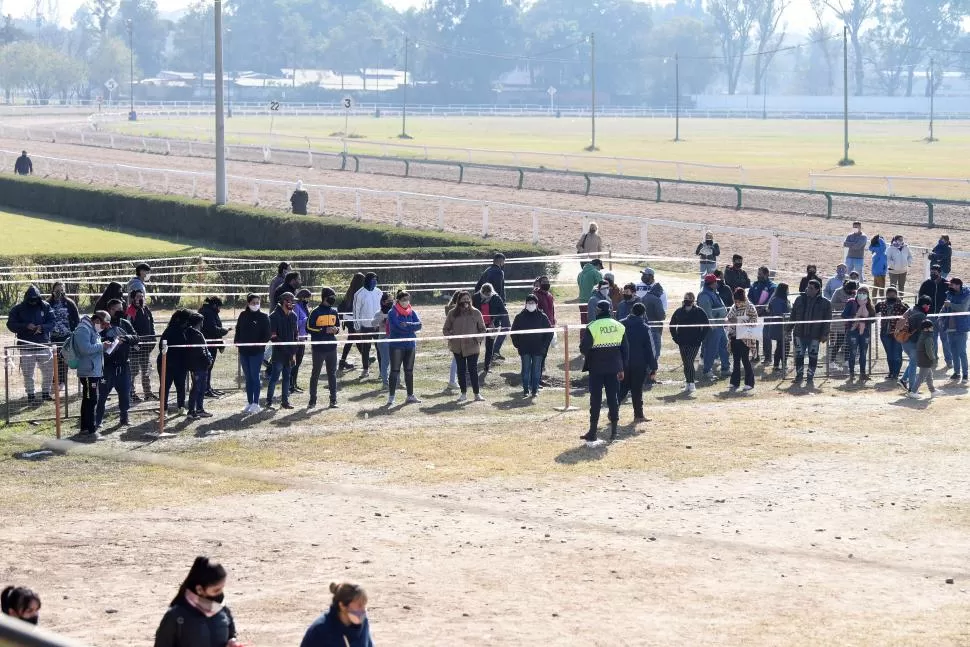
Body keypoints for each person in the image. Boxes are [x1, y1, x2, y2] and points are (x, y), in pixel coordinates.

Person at [153, 557, 242, 647]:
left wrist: (232, 642)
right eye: (216, 590)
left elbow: (231, 634)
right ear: (199, 589)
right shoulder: (176, 616)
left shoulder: (222, 609)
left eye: (222, 588)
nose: (220, 593)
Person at [580, 300, 628, 443]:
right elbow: (625, 350)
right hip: (614, 368)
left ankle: (593, 431)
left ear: (598, 311)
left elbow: (584, 348)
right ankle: (614, 432)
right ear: (611, 310)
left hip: (596, 368)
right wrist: (622, 368)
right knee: (613, 398)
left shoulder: (593, 326)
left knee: (595, 399)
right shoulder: (619, 326)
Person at [95, 299, 139, 429]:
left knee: (125, 394)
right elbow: (96, 339)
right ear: (110, 310)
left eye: (121, 308)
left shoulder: (125, 323)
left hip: (124, 365)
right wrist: (110, 341)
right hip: (107, 366)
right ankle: (98, 420)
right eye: (117, 309)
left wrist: (124, 339)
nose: (120, 311)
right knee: (102, 395)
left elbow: (136, 337)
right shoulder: (101, 324)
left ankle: (124, 418)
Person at [6, 285, 55, 403]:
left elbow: (52, 322)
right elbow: (10, 324)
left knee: (48, 370)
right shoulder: (18, 309)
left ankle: (45, 393)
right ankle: (31, 394)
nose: (33, 302)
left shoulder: (46, 306)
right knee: (28, 373)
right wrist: (25, 326)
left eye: (35, 299)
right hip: (26, 346)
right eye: (31, 299)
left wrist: (42, 327)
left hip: (43, 345)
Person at [443, 291, 487, 403]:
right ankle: (463, 393)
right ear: (459, 301)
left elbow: (483, 329)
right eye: (463, 299)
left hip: (473, 347)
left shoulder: (476, 313)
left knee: (473, 370)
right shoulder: (452, 313)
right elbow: (445, 329)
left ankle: (477, 394)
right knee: (461, 371)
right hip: (457, 347)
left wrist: (477, 339)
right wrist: (451, 337)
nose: (466, 301)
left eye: (468, 299)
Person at [300, 582, 373, 647]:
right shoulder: (320, 630)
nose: (363, 610)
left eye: (364, 605)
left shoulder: (362, 620)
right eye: (359, 606)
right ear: (342, 606)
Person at [74, 310, 111, 437]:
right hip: (88, 372)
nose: (105, 327)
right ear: (97, 321)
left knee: (88, 400)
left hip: (93, 371)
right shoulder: (83, 329)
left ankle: (85, 428)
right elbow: (85, 349)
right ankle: (90, 429)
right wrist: (102, 346)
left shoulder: (92, 329)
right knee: (91, 400)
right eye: (104, 324)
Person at [618, 302, 656, 421]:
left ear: (631, 311)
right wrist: (653, 367)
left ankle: (613, 411)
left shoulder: (620, 324)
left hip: (623, 363)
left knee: (622, 389)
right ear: (644, 314)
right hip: (639, 364)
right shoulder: (645, 328)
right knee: (637, 390)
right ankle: (638, 415)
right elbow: (651, 349)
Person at [234, 293, 271, 414]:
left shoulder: (264, 317)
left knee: (255, 377)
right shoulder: (243, 315)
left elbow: (267, 335)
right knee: (248, 377)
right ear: (248, 303)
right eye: (253, 303)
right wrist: (237, 342)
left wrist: (259, 344)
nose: (256, 305)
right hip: (244, 351)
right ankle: (249, 402)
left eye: (257, 302)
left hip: (257, 352)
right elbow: (238, 329)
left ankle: (256, 403)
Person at [510, 294, 552, 398]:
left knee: (536, 370)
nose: (530, 305)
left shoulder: (543, 317)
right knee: (525, 370)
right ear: (525, 304)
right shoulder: (519, 317)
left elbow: (549, 333)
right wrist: (517, 345)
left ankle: (535, 390)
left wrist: (544, 346)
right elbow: (513, 332)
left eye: (533, 303)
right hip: (524, 349)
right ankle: (525, 390)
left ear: (537, 304)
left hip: (538, 349)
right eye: (529, 303)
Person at [790, 279, 832, 384]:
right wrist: (787, 330)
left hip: (815, 336)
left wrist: (825, 334)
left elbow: (827, 321)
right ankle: (799, 376)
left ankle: (810, 377)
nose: (808, 289)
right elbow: (793, 316)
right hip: (799, 333)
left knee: (813, 356)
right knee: (799, 356)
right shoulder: (799, 299)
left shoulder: (825, 303)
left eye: (811, 288)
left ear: (817, 290)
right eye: (808, 287)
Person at [386, 290, 422, 407]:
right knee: (395, 371)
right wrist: (411, 327)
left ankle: (410, 395)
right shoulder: (392, 312)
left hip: (410, 344)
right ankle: (391, 397)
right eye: (403, 300)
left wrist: (406, 325)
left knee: (409, 371)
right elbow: (396, 327)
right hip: (396, 345)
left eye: (407, 300)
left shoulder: (412, 312)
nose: (406, 302)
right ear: (398, 301)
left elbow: (419, 325)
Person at [307, 288, 342, 409]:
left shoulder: (334, 311)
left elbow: (338, 326)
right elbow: (308, 328)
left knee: (332, 374)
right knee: (315, 374)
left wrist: (336, 330)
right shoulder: (315, 312)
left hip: (332, 347)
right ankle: (312, 400)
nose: (334, 298)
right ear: (325, 297)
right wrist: (323, 330)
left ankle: (333, 400)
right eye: (332, 296)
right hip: (318, 348)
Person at [669, 292, 710, 394]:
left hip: (694, 342)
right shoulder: (679, 311)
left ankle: (692, 383)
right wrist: (675, 338)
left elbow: (706, 325)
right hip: (682, 342)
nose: (687, 300)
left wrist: (700, 338)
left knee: (689, 361)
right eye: (685, 298)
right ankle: (688, 382)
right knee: (686, 363)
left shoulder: (699, 311)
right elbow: (672, 325)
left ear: (693, 300)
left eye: (689, 298)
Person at [267, 292, 298, 410]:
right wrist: (286, 351)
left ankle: (285, 402)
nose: (291, 303)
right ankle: (269, 402)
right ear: (282, 301)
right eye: (288, 300)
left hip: (290, 354)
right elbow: (273, 337)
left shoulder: (293, 316)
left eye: (292, 300)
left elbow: (296, 334)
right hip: (279, 354)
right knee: (274, 378)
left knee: (287, 378)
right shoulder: (273, 316)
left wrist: (293, 352)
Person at [48, 282, 80, 396]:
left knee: (64, 359)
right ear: (52, 290)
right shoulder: (48, 303)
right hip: (52, 337)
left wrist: (76, 332)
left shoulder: (70, 303)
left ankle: (62, 381)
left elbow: (76, 319)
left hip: (66, 337)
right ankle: (53, 381)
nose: (59, 292)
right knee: (54, 360)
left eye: (61, 290)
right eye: (57, 290)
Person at [919, 264, 952, 370]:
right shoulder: (926, 284)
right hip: (930, 316)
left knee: (945, 339)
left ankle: (949, 360)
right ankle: (934, 359)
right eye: (931, 271)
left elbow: (952, 297)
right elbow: (921, 298)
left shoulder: (947, 284)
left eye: (935, 272)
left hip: (943, 316)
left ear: (940, 272)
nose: (933, 273)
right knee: (932, 339)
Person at [698, 273, 730, 379]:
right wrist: (712, 325)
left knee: (724, 346)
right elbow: (706, 312)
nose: (717, 283)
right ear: (711, 283)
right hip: (713, 326)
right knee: (711, 348)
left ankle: (725, 368)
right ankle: (707, 370)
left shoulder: (713, 293)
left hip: (719, 325)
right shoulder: (704, 296)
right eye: (716, 281)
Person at [181, 312, 213, 419]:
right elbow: (200, 351)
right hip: (198, 366)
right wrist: (208, 361)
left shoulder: (193, 333)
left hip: (199, 366)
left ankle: (199, 409)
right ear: (199, 322)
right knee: (196, 388)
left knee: (201, 387)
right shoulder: (195, 335)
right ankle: (191, 411)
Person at [158, 310, 190, 416]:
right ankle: (164, 409)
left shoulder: (186, 330)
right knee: (165, 386)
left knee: (181, 386)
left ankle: (181, 407)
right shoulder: (170, 331)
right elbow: (161, 346)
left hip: (181, 364)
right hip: (168, 363)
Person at [126, 290, 156, 401]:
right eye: (138, 296)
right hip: (134, 348)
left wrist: (152, 340)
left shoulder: (147, 310)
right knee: (133, 371)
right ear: (133, 298)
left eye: (142, 296)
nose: (141, 298)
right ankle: (131, 393)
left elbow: (151, 325)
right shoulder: (130, 310)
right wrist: (133, 343)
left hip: (146, 347)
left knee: (147, 370)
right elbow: (127, 329)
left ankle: (148, 393)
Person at [726, 288, 758, 392]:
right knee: (735, 360)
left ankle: (749, 382)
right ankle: (734, 382)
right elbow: (728, 317)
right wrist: (728, 320)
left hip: (745, 337)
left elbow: (754, 321)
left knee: (745, 360)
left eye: (738, 301)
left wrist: (740, 321)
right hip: (734, 336)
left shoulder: (750, 307)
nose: (736, 303)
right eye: (735, 301)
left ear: (743, 299)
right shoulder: (734, 307)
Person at [474, 282, 509, 377]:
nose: (486, 296)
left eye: (488, 294)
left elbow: (503, 311)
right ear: (482, 292)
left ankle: (486, 367)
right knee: (476, 345)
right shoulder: (476, 297)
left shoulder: (496, 298)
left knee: (489, 346)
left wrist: (494, 320)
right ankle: (472, 366)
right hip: (479, 326)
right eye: (484, 294)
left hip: (492, 326)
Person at [900, 296, 933, 393]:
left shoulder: (911, 309)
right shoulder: (921, 316)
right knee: (914, 364)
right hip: (913, 343)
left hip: (905, 341)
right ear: (924, 305)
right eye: (928, 305)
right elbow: (921, 332)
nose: (928, 307)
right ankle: (912, 388)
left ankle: (903, 380)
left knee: (913, 362)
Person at [352, 272, 382, 379]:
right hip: (365, 326)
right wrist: (357, 326)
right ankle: (365, 370)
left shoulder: (379, 292)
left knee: (380, 349)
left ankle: (382, 371)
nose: (374, 281)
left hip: (378, 326)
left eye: (376, 279)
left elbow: (383, 307)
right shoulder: (359, 294)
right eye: (372, 279)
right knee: (366, 349)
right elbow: (356, 311)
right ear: (367, 280)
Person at [199, 296, 230, 398]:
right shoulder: (208, 313)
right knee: (207, 367)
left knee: (209, 367)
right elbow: (212, 328)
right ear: (215, 305)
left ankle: (208, 387)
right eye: (219, 307)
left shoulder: (208, 311)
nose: (219, 310)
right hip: (209, 344)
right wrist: (224, 331)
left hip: (211, 343)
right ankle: (205, 389)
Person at [842, 286, 875, 381]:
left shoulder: (869, 305)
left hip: (865, 332)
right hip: (852, 331)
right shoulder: (851, 303)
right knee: (852, 352)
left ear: (868, 294)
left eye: (864, 292)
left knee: (863, 353)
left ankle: (862, 373)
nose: (862, 294)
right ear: (857, 293)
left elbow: (873, 319)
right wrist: (855, 318)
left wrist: (865, 319)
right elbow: (844, 315)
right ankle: (852, 373)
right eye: (860, 292)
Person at [875, 287, 908, 381]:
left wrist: (901, 303)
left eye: (893, 294)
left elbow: (909, 313)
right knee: (889, 354)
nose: (891, 296)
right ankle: (891, 372)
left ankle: (896, 374)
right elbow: (873, 311)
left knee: (897, 354)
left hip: (898, 333)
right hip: (885, 333)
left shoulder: (902, 305)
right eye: (889, 294)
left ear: (896, 295)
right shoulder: (881, 304)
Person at [942, 277, 969, 383]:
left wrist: (950, 304)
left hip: (961, 328)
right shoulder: (949, 293)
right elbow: (945, 307)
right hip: (949, 327)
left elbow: (963, 308)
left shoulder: (967, 295)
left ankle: (965, 374)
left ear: (958, 285)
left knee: (962, 352)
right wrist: (941, 315)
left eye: (951, 284)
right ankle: (957, 372)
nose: (949, 286)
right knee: (954, 352)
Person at [908, 319, 942, 400]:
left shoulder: (923, 335)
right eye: (931, 327)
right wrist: (933, 359)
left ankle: (933, 391)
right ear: (926, 329)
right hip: (925, 360)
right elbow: (929, 350)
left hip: (922, 359)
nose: (932, 329)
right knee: (921, 377)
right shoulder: (928, 338)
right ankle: (913, 392)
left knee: (929, 376)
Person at [828, 279, 858, 370]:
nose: (852, 292)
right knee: (839, 341)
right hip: (840, 320)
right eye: (850, 290)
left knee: (849, 342)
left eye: (853, 290)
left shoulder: (855, 293)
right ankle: (832, 361)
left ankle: (846, 361)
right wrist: (845, 305)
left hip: (851, 320)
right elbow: (832, 304)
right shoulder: (838, 292)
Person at [338, 273, 365, 371]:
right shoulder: (359, 293)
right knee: (353, 338)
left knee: (354, 338)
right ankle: (343, 361)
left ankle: (364, 357)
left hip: (349, 320)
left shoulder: (350, 291)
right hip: (355, 319)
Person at [764, 283, 792, 370]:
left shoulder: (782, 299)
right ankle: (778, 364)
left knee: (783, 345)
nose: (788, 291)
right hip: (779, 326)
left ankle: (782, 363)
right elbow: (779, 313)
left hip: (784, 325)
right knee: (781, 345)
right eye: (787, 289)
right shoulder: (776, 300)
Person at [370, 292, 394, 388]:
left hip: (394, 338)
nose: (391, 302)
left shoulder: (394, 311)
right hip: (383, 340)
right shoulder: (379, 313)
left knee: (396, 362)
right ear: (383, 302)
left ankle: (397, 382)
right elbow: (373, 323)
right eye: (389, 301)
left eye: (392, 300)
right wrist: (382, 318)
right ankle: (385, 383)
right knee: (385, 362)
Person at [290, 289, 311, 394]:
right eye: (307, 298)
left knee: (298, 362)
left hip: (303, 337)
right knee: (294, 363)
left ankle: (294, 383)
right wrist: (306, 319)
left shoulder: (304, 306)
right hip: (297, 338)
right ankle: (291, 385)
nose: (308, 300)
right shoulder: (296, 306)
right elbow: (295, 322)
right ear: (302, 297)